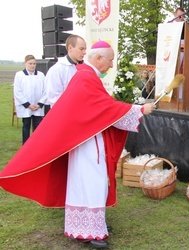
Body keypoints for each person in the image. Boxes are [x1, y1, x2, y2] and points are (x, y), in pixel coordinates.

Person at [0, 41, 156, 249]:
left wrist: (131, 109)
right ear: (99, 58)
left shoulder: (85, 75)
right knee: (91, 183)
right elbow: (103, 107)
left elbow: (101, 107)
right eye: (109, 61)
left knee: (86, 184)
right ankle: (89, 230)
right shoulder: (86, 77)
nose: (110, 66)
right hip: (87, 142)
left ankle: (88, 226)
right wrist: (138, 110)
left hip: (86, 138)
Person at [45, 34, 87, 108]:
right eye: (81, 49)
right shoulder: (57, 70)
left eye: (85, 49)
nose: (84, 52)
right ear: (70, 48)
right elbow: (54, 98)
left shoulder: (84, 68)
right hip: (65, 112)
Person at [13, 55, 46, 144]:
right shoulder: (19, 75)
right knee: (26, 126)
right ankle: (25, 145)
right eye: (30, 63)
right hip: (26, 107)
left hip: (38, 106)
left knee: (37, 126)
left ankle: (36, 144)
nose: (32, 65)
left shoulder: (41, 75)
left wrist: (39, 104)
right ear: (25, 63)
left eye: (34, 63)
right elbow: (17, 91)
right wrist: (28, 105)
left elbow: (46, 90)